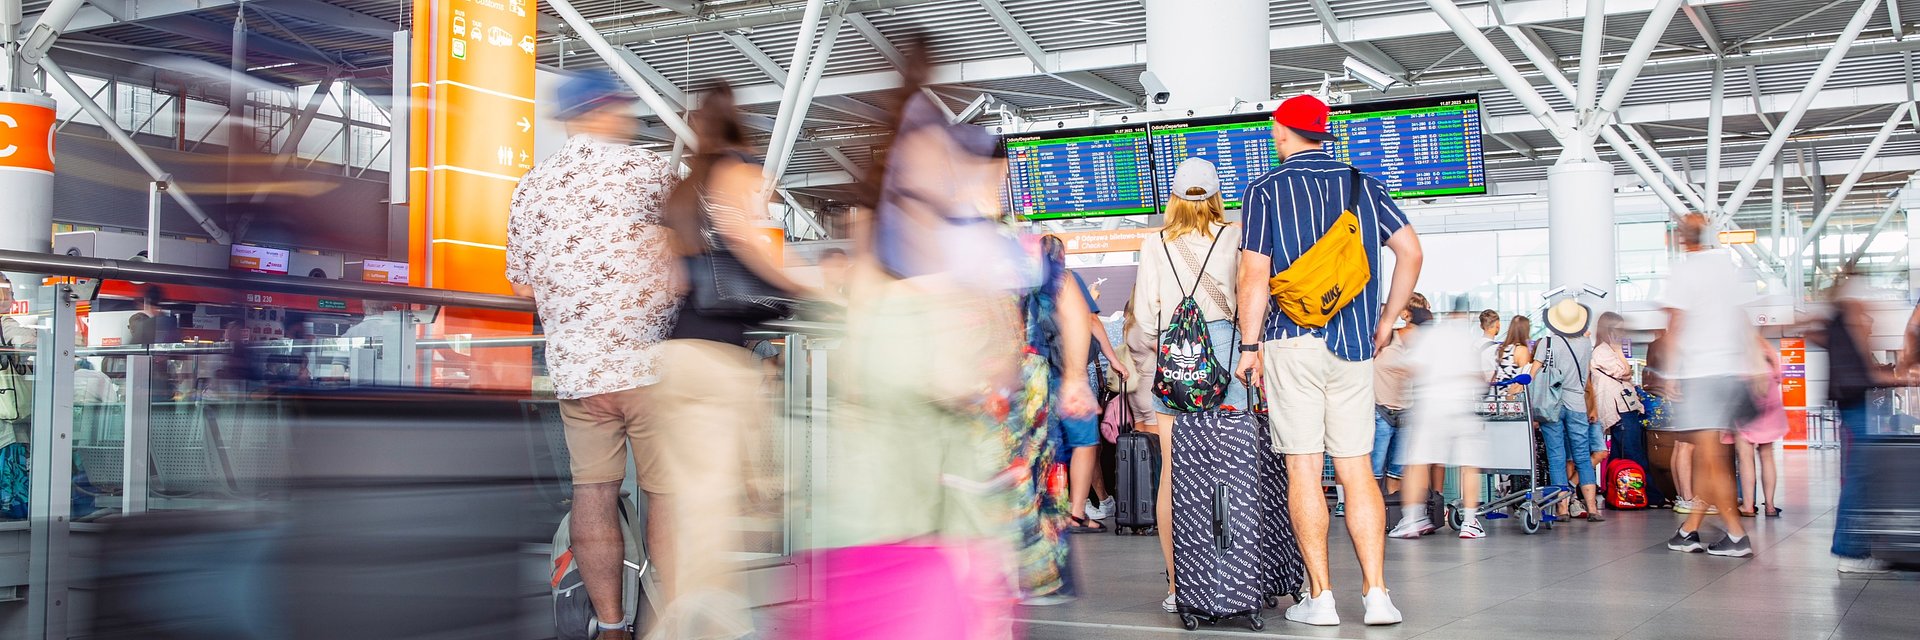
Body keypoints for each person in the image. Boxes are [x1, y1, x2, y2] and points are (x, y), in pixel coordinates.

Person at [504, 71, 683, 640]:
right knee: (668, 495)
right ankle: (669, 623)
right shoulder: (653, 172)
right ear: (608, 110)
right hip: (651, 365)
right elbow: (697, 251)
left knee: (593, 491)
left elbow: (521, 285)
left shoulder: (533, 186)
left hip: (579, 371)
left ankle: (609, 627)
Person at [1235, 94, 1421, 627]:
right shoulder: (1363, 185)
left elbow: (1254, 276)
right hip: (1355, 345)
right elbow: (1411, 252)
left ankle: (1321, 598)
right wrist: (1386, 320)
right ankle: (1378, 595)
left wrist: (1250, 348)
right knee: (1357, 469)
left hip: (1291, 341)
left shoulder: (1266, 190)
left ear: (1281, 130)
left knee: (1304, 465)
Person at [654, 82, 815, 639]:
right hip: (718, 364)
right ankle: (706, 629)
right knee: (722, 510)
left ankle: (692, 624)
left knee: (697, 509)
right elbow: (755, 246)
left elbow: (675, 277)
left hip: (674, 358)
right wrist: (821, 290)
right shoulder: (736, 170)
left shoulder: (684, 188)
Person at [1129, 157, 1247, 612]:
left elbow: (1144, 313)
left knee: (1174, 476)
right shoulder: (1234, 235)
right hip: (1226, 351)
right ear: (1216, 194)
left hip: (1176, 357)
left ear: (1174, 197)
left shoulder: (1155, 242)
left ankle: (1181, 587)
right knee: (1232, 470)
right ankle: (1235, 579)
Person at [1659, 213, 1755, 558]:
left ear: (1681, 239)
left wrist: (1670, 376)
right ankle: (1689, 530)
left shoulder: (1685, 270)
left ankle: (1735, 533)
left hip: (1700, 373)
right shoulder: (1724, 268)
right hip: (1729, 373)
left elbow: (1675, 326)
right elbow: (1742, 319)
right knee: (1708, 457)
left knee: (1711, 459)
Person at [1818, 271, 1907, 572]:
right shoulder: (1848, 321)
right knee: (1859, 478)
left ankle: (1860, 547)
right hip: (1856, 406)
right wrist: (1900, 377)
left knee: (1865, 476)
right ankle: (1850, 553)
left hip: (1855, 404)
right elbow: (1860, 373)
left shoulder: (1840, 322)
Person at [1388, 305, 1490, 540]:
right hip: (1462, 409)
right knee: (1469, 465)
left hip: (1432, 407)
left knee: (1419, 462)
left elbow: (1413, 367)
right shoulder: (1468, 341)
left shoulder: (1431, 336)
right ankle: (1470, 522)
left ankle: (1413, 519)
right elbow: (1479, 378)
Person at [1065, 264, 1122, 533]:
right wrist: (1113, 359)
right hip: (1072, 376)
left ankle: (1057, 507)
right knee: (1086, 441)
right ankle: (1078, 511)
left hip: (1037, 373)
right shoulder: (1067, 279)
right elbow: (1091, 320)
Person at [1538, 299, 1601, 522]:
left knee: (1557, 456)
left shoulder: (1547, 343)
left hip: (1552, 405)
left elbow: (1536, 372)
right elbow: (1586, 377)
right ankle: (1592, 509)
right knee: (1583, 456)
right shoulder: (1586, 344)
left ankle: (1562, 509)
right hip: (1577, 404)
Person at [1589, 311, 1648, 504]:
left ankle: (1617, 493)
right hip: (1618, 409)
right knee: (1631, 452)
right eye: (1618, 329)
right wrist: (1620, 352)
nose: (1622, 333)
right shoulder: (1602, 351)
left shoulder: (1607, 350)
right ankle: (1643, 494)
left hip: (1623, 406)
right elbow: (1624, 371)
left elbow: (1626, 375)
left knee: (1620, 452)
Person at [1732, 334, 1786, 518]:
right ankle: (1770, 506)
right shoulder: (1765, 346)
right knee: (1767, 455)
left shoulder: (1736, 351)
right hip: (1769, 405)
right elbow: (1779, 376)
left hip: (1746, 407)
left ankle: (1748, 505)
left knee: (1746, 458)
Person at [1371, 306, 1417, 490]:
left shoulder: (1415, 348)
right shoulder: (1382, 342)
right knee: (1374, 468)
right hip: (1381, 411)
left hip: (1406, 413)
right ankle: (1375, 512)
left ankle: (1391, 512)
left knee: (1397, 471)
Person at [1493, 316, 1535, 396]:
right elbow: (1523, 378)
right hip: (1513, 399)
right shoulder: (1522, 350)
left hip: (1499, 395)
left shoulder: (1500, 349)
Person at [1478, 309, 1503, 380]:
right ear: (1498, 325)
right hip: (1491, 387)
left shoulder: (1474, 345)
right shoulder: (1496, 348)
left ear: (1481, 326)